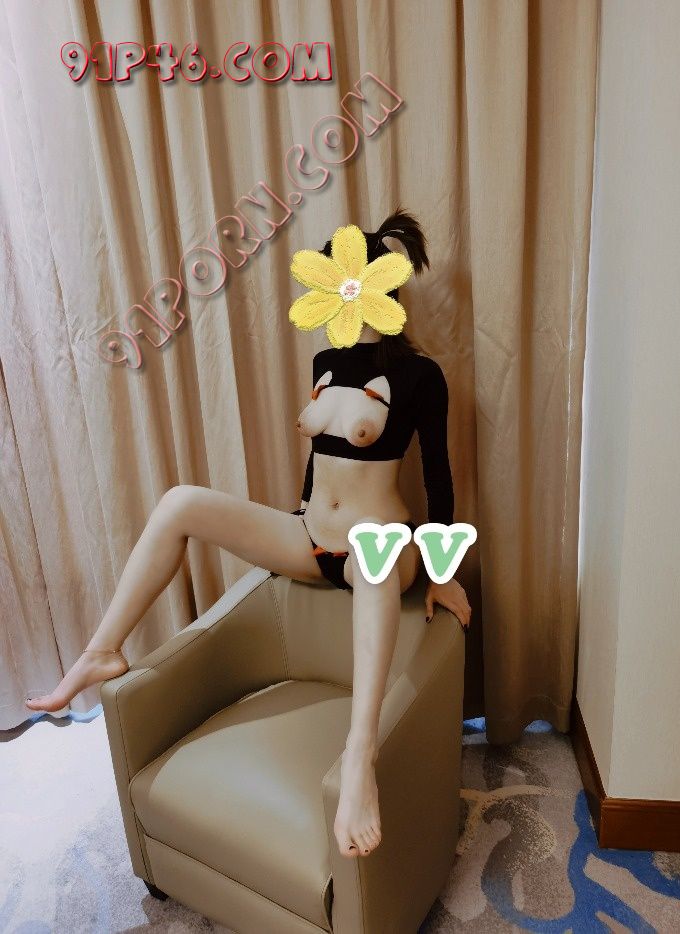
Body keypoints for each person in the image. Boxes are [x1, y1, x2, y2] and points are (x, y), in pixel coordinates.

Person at [26, 209, 471, 861]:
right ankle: (101, 652)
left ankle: (359, 759)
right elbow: (320, 462)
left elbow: (437, 474)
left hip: (379, 546)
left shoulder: (421, 376)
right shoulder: (325, 360)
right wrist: (299, 519)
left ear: (380, 287)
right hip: (311, 537)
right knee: (181, 503)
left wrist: (442, 571)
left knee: (373, 555)